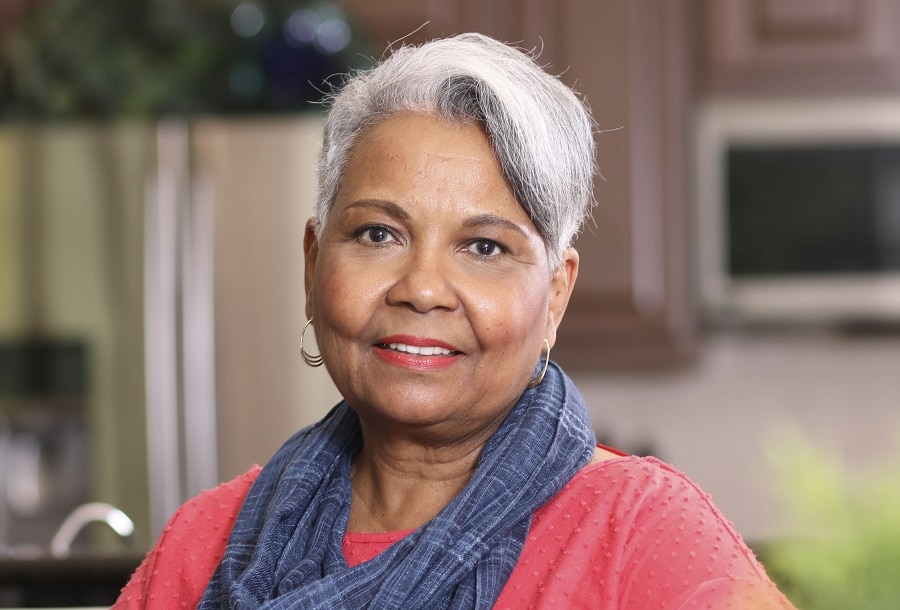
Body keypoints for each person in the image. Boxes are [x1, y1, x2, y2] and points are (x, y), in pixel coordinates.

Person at [114, 33, 795, 609]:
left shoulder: (642, 534)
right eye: (379, 234)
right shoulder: (203, 546)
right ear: (313, 265)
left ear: (555, 296)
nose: (423, 289)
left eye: (484, 247)